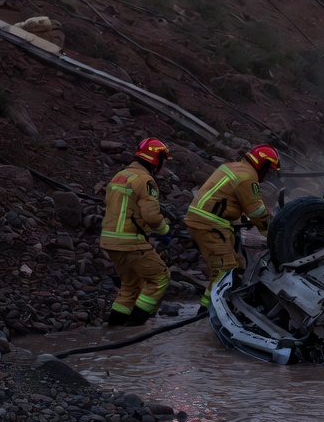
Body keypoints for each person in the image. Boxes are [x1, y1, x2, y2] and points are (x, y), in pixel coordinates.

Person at [184, 144, 279, 310]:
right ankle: (208, 311)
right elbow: (257, 211)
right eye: (268, 169)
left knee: (238, 266)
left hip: (204, 219)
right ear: (262, 165)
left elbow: (226, 198)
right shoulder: (248, 177)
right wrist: (273, 232)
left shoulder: (232, 167)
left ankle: (220, 306)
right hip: (209, 224)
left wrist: (239, 218)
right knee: (226, 271)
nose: (268, 173)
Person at [99, 138, 172, 327]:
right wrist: (164, 230)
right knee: (160, 277)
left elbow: (125, 210)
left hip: (110, 241)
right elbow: (152, 216)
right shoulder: (145, 180)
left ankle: (115, 329)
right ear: (157, 159)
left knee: (129, 285)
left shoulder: (120, 175)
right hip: (131, 242)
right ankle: (136, 325)